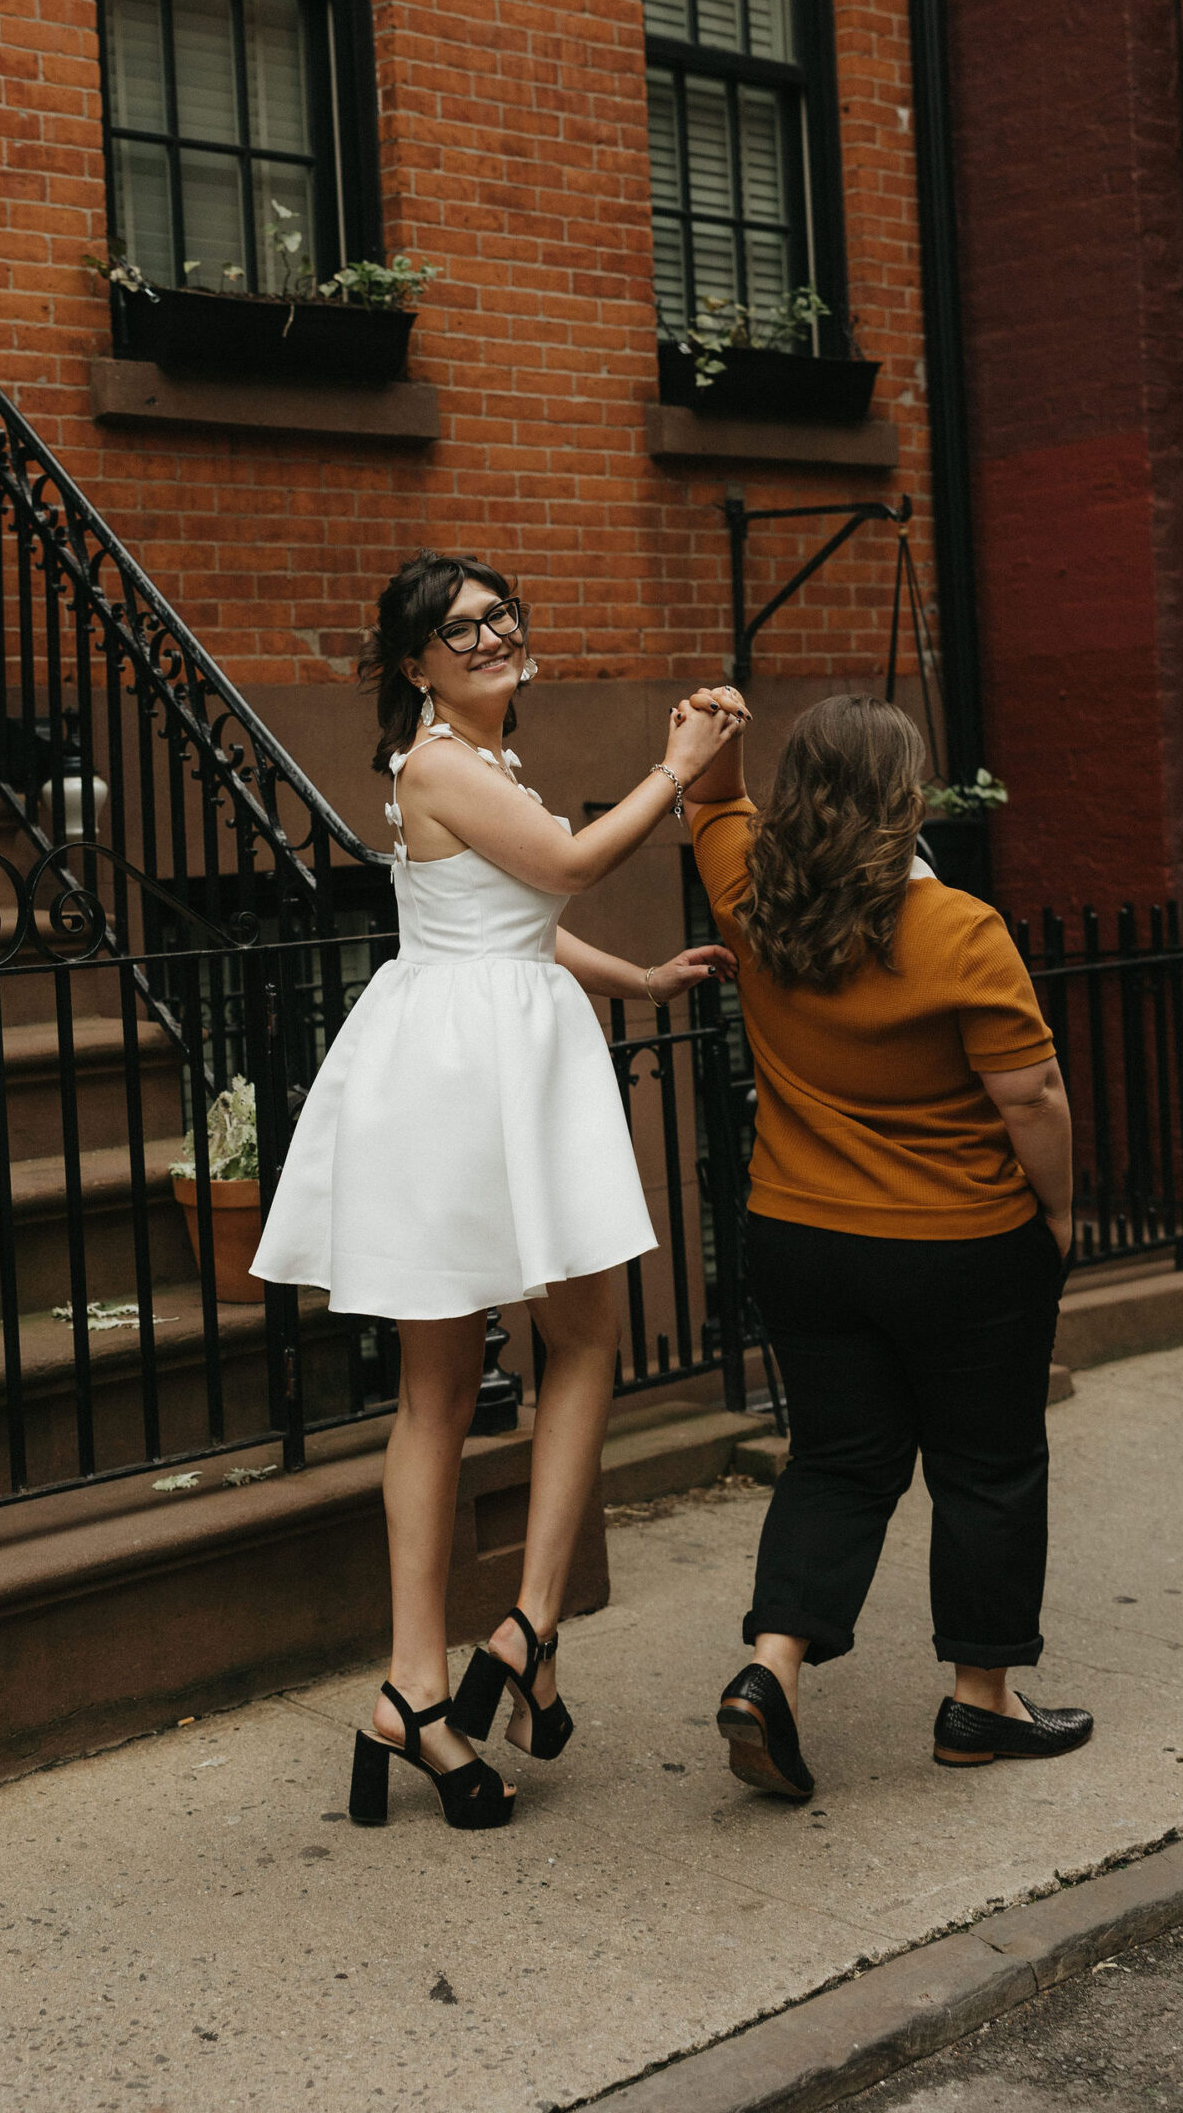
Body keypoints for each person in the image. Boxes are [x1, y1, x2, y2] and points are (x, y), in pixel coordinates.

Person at [252, 552, 742, 1830]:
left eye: (498, 615)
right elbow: (571, 862)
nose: (487, 635)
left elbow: (517, 911)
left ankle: (476, 1656)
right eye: (455, 628)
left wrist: (631, 982)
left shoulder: (483, 766)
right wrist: (679, 769)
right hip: (467, 1075)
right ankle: (467, 1656)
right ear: (412, 664)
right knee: (473, 1373)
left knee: (539, 1352)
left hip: (490, 1042)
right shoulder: (440, 765)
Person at [683, 692, 1092, 1799]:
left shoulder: (745, 896)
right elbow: (1034, 1094)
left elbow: (711, 797)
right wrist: (1055, 1213)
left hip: (799, 1236)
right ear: (905, 800)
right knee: (986, 1464)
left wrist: (712, 725)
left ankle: (770, 1673)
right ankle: (980, 1704)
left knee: (840, 1458)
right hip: (959, 1243)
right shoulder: (958, 929)